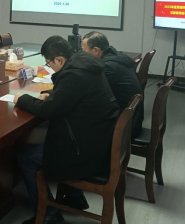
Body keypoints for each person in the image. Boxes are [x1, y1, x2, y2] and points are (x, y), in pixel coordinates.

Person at [14, 36, 120, 224]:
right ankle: (74, 197)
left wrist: (22, 99)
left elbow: (49, 111)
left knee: (26, 157)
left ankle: (49, 215)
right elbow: (73, 95)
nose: (49, 67)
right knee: (46, 138)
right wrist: (53, 95)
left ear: (59, 60)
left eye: (49, 63)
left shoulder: (74, 75)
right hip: (99, 141)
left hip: (87, 152)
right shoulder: (83, 65)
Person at [82, 31, 143, 138]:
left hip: (124, 126)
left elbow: (91, 93)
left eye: (84, 51)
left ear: (96, 50)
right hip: (131, 119)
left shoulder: (108, 67)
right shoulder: (116, 57)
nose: (82, 55)